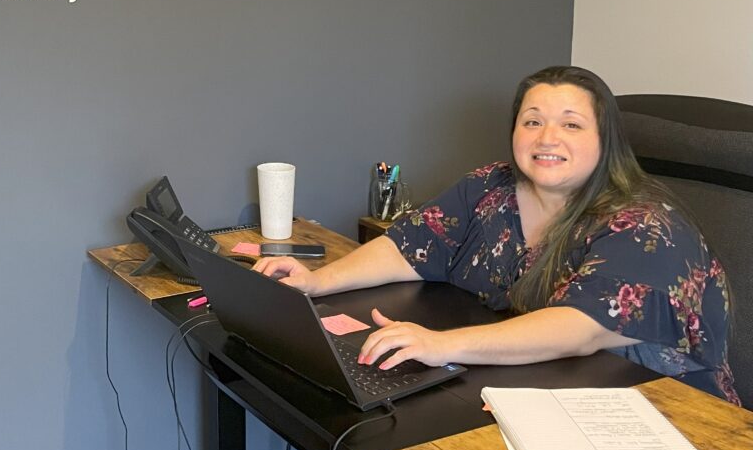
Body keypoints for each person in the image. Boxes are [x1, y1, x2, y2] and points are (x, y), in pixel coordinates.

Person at [253, 65, 739, 404]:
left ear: (604, 140)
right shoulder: (492, 185)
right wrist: (318, 282)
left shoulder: (646, 224)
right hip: (551, 386)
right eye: (533, 122)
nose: (547, 138)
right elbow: (412, 245)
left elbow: (579, 327)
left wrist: (441, 345)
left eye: (571, 124)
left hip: (660, 412)